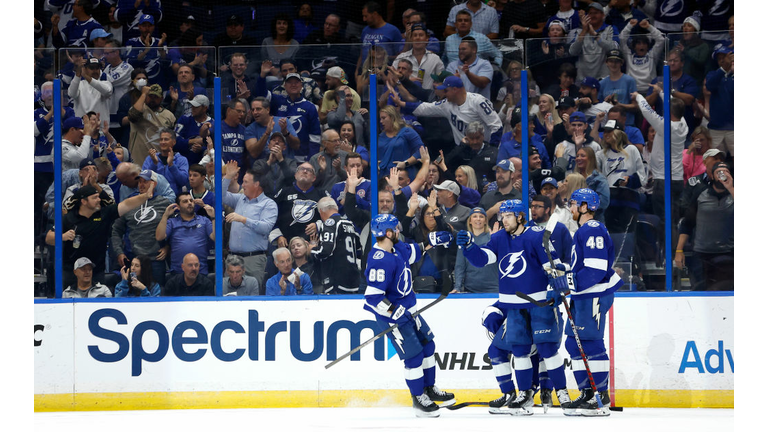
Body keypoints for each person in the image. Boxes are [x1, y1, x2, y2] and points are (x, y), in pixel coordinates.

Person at [457, 199, 571, 415]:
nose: (503, 220)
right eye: (502, 216)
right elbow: (483, 259)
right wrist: (470, 247)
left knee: (548, 349)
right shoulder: (499, 237)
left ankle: (562, 392)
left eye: (508, 216)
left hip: (539, 304)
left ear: (520, 216)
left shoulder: (537, 236)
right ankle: (525, 394)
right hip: (513, 306)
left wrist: (558, 283)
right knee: (520, 351)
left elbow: (554, 266)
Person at [364, 214, 456, 417]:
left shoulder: (398, 248)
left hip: (411, 312)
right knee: (414, 357)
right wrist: (395, 312)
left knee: (428, 347)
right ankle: (418, 398)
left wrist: (431, 241)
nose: (399, 231)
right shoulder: (379, 260)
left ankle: (429, 388)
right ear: (388, 233)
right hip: (393, 318)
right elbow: (373, 299)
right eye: (395, 229)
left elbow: (415, 251)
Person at [549, 188, 624, 416]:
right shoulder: (583, 231)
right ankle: (587, 393)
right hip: (584, 295)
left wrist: (568, 284)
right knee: (573, 344)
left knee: (590, 344)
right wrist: (564, 270)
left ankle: (600, 397)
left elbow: (595, 269)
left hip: (594, 294)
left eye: (574, 204)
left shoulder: (592, 229)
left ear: (584, 207)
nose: (571, 208)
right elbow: (584, 266)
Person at [45, 182, 157, 289]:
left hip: (96, 271)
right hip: (71, 271)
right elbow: (48, 238)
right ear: (83, 201)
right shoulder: (69, 218)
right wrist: (63, 236)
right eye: (95, 197)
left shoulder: (104, 214)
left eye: (98, 197)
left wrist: (145, 196)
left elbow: (126, 204)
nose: (99, 200)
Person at [634, 91, 688, 250]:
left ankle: (668, 255)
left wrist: (638, 95)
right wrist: (662, 92)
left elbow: (646, 110)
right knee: (673, 220)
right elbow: (675, 104)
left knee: (665, 220)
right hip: (677, 180)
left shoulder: (665, 126)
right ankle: (674, 252)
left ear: (670, 112)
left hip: (663, 181)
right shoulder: (683, 124)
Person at [392, 76, 503, 147]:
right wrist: (402, 104)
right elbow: (425, 108)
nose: (444, 94)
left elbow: (496, 126)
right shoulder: (447, 104)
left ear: (455, 90)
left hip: (482, 147)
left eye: (446, 90)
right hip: (462, 148)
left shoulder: (477, 101)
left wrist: (491, 149)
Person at [676, 159, 734, 291]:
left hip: (729, 253)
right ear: (712, 176)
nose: (722, 175)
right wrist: (679, 250)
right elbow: (687, 223)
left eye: (726, 172)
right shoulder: (701, 194)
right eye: (719, 172)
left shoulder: (734, 193)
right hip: (702, 254)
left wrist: (730, 187)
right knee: (700, 291)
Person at [222, 161, 278, 288]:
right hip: (233, 258)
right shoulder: (240, 199)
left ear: (256, 184)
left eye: (246, 182)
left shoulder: (269, 204)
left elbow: (265, 228)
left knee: (253, 295)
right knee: (229, 295)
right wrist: (228, 177)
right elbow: (220, 196)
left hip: (254, 259)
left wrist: (243, 219)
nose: (243, 185)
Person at [111, 169, 171, 286]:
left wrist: (168, 247)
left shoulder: (164, 203)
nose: (142, 185)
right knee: (133, 294)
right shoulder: (129, 203)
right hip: (134, 259)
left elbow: (175, 229)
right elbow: (116, 230)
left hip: (156, 260)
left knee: (157, 297)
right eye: (140, 182)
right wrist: (119, 252)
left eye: (145, 181)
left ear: (154, 184)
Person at [256, 67, 322, 160]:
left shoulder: (310, 107)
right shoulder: (278, 101)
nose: (293, 85)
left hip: (301, 158)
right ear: (285, 86)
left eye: (296, 82)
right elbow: (261, 94)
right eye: (290, 82)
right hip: (279, 156)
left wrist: (311, 159)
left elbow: (315, 137)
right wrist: (262, 75)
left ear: (301, 85)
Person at [309, 197, 362, 294]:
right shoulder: (349, 224)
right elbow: (358, 247)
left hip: (336, 279)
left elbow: (325, 251)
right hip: (353, 278)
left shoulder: (330, 223)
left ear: (321, 211)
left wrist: (312, 249)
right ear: (336, 207)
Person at [271, 162, 329, 248]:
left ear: (314, 178)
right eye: (301, 169)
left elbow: (333, 217)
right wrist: (278, 236)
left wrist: (319, 225)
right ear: (295, 175)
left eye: (309, 170)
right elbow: (270, 215)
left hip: (312, 245)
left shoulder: (322, 194)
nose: (305, 171)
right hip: (286, 244)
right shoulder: (284, 192)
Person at [155, 192, 214, 276]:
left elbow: (216, 238)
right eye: (185, 201)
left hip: (200, 272)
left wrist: (213, 217)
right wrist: (165, 215)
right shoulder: (172, 222)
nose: (189, 203)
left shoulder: (204, 220)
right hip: (177, 272)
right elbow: (159, 237)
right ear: (178, 206)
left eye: (191, 200)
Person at [127, 83, 176, 169]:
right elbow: (133, 115)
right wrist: (143, 94)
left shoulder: (169, 115)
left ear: (161, 98)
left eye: (156, 97)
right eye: (150, 96)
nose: (152, 99)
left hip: (159, 161)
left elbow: (173, 139)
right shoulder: (140, 109)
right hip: (138, 159)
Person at [453, 207, 498, 293]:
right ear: (470, 220)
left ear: (485, 220)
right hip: (471, 289)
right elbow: (460, 266)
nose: (478, 219)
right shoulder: (464, 239)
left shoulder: (493, 236)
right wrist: (457, 287)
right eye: (475, 216)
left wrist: (496, 240)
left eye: (481, 216)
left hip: (494, 288)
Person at [568, 4, 618, 82]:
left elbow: (615, 49)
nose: (593, 15)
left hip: (604, 80)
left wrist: (595, 35)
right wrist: (584, 30)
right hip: (583, 81)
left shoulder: (610, 29)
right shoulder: (579, 32)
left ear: (603, 15)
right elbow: (572, 51)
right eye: (590, 13)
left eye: (596, 13)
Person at [618, 19, 665, 94]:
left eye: (644, 43)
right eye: (638, 44)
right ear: (634, 46)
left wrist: (649, 27)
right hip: (633, 91)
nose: (641, 46)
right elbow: (621, 39)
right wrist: (629, 26)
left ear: (647, 46)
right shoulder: (629, 56)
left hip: (650, 90)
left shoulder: (652, 55)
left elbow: (661, 39)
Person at [377, 105, 425, 178]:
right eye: (380, 118)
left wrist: (405, 163)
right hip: (383, 177)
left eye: (384, 118)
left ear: (393, 118)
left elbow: (421, 151)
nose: (381, 121)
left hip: (403, 176)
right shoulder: (379, 137)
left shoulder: (407, 132)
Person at [356, 1, 403, 74]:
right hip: (365, 72)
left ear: (374, 14)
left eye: (366, 16)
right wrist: (357, 71)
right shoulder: (365, 30)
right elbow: (362, 53)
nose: (364, 19)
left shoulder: (393, 30)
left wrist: (384, 57)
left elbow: (400, 55)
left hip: (384, 72)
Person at [395, 23, 444, 90]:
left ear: (427, 38)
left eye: (421, 35)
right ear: (411, 38)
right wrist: (407, 81)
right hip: (405, 98)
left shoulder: (435, 59)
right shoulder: (401, 57)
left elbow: (441, 81)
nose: (417, 38)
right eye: (415, 35)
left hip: (428, 99)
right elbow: (391, 79)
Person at [705, 46, 734, 158]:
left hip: (735, 127)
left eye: (725, 57)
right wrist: (723, 70)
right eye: (720, 58)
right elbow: (710, 86)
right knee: (716, 159)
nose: (722, 60)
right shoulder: (713, 74)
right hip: (716, 127)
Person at [142, 128, 189, 196]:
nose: (163, 142)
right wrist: (154, 163)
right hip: (153, 198)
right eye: (161, 139)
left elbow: (183, 181)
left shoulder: (181, 159)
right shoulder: (150, 158)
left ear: (174, 142)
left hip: (174, 199)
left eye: (166, 139)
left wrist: (171, 165)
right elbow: (144, 180)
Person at [68, 57, 113, 128]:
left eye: (97, 68)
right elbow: (71, 94)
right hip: (81, 128)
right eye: (92, 68)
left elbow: (107, 91)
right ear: (85, 69)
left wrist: (85, 76)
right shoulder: (79, 84)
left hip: (100, 129)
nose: (95, 71)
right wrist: (78, 74)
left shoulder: (106, 83)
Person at [123, 14, 168, 86]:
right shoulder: (132, 42)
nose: (147, 28)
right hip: (138, 83)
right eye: (144, 25)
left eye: (149, 26)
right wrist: (146, 50)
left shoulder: (160, 42)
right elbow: (130, 62)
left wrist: (160, 48)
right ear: (139, 27)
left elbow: (166, 62)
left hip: (158, 81)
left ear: (153, 27)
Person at [597, 49, 638, 126]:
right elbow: (598, 106)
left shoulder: (629, 80)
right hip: (608, 124)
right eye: (611, 61)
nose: (613, 64)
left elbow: (635, 106)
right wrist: (605, 103)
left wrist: (620, 105)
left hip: (627, 123)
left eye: (616, 61)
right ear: (607, 62)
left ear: (621, 63)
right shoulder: (601, 83)